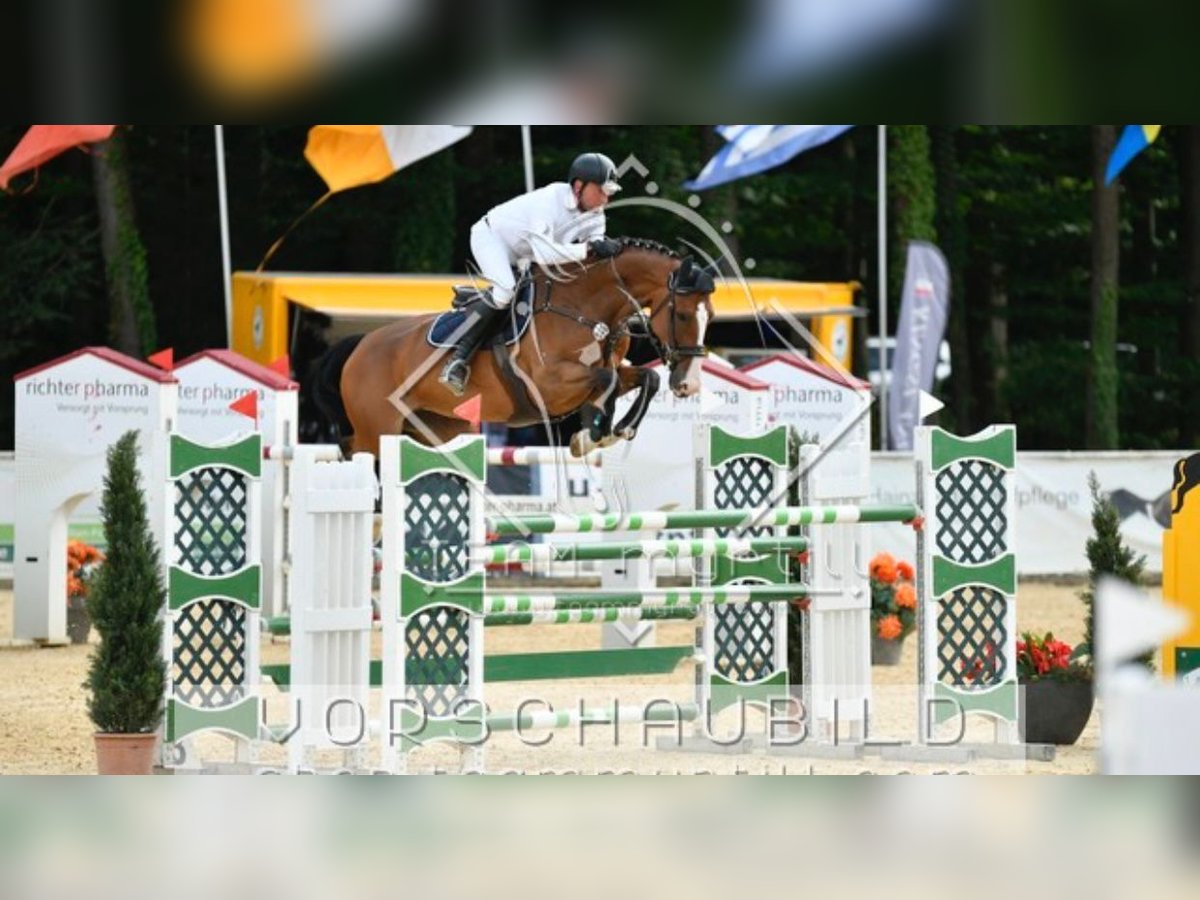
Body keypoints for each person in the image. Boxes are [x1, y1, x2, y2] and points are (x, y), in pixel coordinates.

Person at [439, 152, 625, 396]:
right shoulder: (549, 200)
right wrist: (589, 248)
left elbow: (593, 249)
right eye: (601, 190)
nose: (605, 198)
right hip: (493, 239)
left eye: (609, 192)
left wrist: (605, 249)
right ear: (579, 186)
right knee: (506, 290)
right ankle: (458, 360)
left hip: (525, 255)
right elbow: (546, 254)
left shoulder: (596, 214)